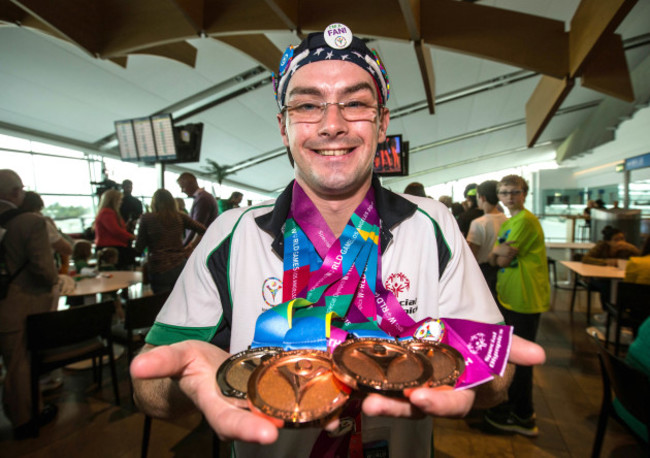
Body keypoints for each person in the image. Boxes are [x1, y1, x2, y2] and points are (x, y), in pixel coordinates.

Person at [131, 25, 545, 457]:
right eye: (308, 105)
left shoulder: (432, 225)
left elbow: (496, 382)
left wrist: (479, 374)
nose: (333, 124)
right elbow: (151, 390)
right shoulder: (232, 235)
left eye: (356, 103)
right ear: (284, 126)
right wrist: (186, 382)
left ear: (382, 123)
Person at [485, 174, 549, 437]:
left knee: (521, 361)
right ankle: (515, 407)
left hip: (525, 297)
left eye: (515, 192)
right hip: (511, 297)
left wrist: (495, 255)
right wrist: (495, 255)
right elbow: (495, 255)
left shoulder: (525, 221)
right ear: (498, 196)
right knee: (511, 356)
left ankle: (523, 415)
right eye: (504, 192)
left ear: (525, 194)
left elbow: (500, 258)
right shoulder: (512, 222)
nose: (510, 197)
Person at [0, 169, 59, 439]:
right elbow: (44, 270)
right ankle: (25, 420)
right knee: (19, 364)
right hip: (18, 303)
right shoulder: (30, 223)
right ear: (15, 192)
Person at [135, 189, 206, 293]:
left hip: (159, 267)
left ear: (154, 202)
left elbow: (139, 247)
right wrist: (191, 246)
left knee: (162, 303)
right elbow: (203, 230)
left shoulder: (147, 218)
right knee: (180, 300)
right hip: (180, 265)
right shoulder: (180, 216)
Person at [466, 180, 507, 303]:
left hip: (482, 272)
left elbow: (472, 254)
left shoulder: (479, 223)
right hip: (502, 269)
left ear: (482, 197)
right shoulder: (506, 219)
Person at [20, 191, 73, 273]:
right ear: (38, 207)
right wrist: (55, 230)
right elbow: (66, 249)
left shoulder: (13, 223)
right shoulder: (39, 222)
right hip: (42, 271)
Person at [93, 189, 136, 270]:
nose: (121, 202)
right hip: (112, 248)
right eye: (119, 200)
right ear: (113, 200)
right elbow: (116, 231)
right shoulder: (107, 213)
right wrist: (132, 236)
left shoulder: (107, 212)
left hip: (112, 246)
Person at [176, 172, 218, 246]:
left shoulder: (203, 198)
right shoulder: (203, 197)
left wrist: (185, 246)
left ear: (191, 184)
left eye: (183, 187)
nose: (182, 191)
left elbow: (197, 226)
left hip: (202, 245)